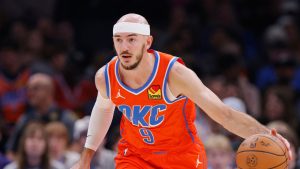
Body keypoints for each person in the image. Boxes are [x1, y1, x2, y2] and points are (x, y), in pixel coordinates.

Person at [72, 13, 292, 169]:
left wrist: (267, 135)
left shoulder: (174, 74)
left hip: (182, 157)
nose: (124, 47)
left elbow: (224, 115)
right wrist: (86, 156)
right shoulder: (105, 76)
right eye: (119, 40)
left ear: (147, 42)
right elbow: (102, 111)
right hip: (136, 157)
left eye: (132, 39)